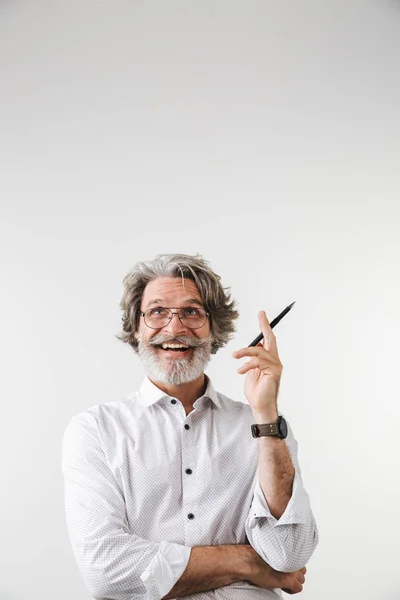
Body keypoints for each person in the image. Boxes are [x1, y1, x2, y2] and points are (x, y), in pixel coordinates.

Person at [61, 253, 319, 600]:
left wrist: (266, 414)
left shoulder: (261, 426)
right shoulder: (95, 431)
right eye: (157, 312)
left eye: (191, 312)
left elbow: (288, 554)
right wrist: (248, 563)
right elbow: (106, 570)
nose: (174, 328)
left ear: (214, 327)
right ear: (136, 328)